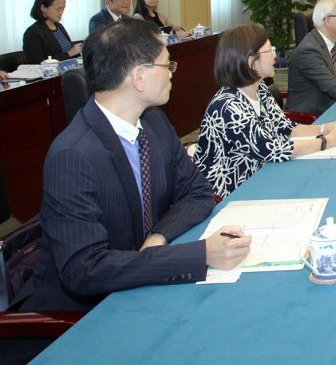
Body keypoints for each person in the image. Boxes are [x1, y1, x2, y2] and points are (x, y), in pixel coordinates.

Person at [20, 18, 251, 313]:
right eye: (167, 64)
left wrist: (158, 236)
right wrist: (199, 254)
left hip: (140, 286)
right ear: (139, 76)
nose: (172, 73)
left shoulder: (154, 122)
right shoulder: (73, 155)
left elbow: (198, 192)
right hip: (81, 316)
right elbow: (85, 269)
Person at [193, 24, 336, 198]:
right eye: (269, 51)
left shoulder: (259, 87)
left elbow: (284, 128)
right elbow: (274, 150)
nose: (275, 56)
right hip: (231, 192)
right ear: (251, 61)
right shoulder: (228, 106)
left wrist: (325, 128)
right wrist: (327, 141)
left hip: (262, 174)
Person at [22, 0, 83, 64]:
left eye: (63, 9)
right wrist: (69, 53)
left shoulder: (59, 26)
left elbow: (68, 52)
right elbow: (37, 62)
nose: (61, 13)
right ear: (43, 8)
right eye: (58, 9)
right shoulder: (32, 32)